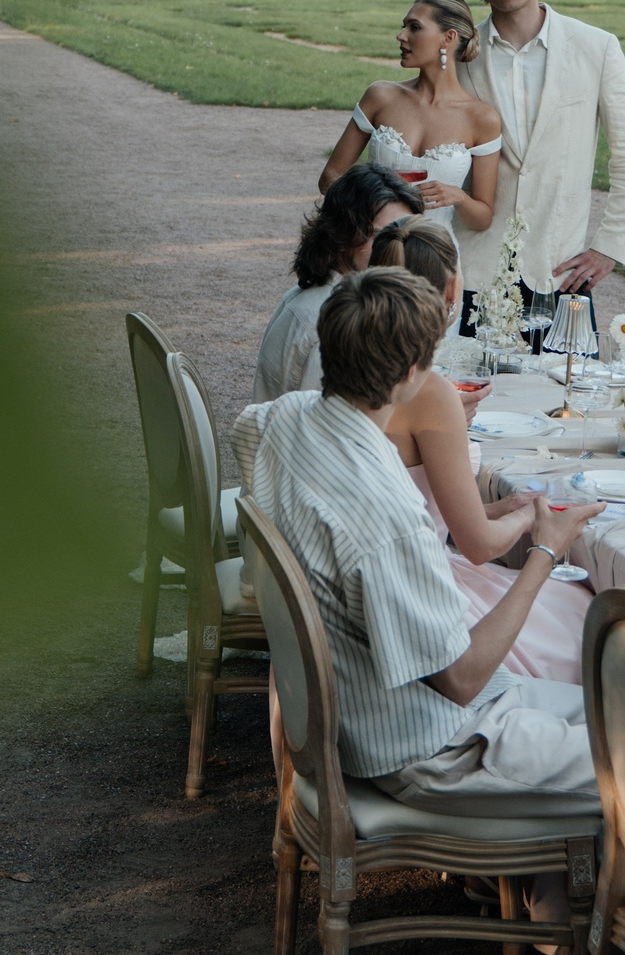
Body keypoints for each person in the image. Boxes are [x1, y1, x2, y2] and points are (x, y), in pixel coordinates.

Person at [240, 265, 603, 919]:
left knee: (621, 707)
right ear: (413, 374)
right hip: (425, 751)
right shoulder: (387, 517)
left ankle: (554, 910)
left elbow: (251, 430)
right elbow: (461, 679)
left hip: (362, 716)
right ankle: (587, 927)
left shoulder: (283, 420)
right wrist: (544, 553)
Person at [373, 217, 590, 682]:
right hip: (430, 597)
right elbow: (476, 547)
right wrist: (539, 529)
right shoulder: (428, 393)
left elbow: (414, 509)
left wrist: (498, 507)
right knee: (586, 620)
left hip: (404, 571)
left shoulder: (370, 371)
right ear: (453, 292)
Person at [454, 0, 625, 307]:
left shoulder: (597, 47)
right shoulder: (459, 57)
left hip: (559, 270)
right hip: (472, 269)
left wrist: (610, 246)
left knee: (567, 373)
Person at [318, 0, 503, 240]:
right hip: (370, 248)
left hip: (435, 256)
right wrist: (366, 201)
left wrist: (457, 197)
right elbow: (330, 177)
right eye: (404, 26)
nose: (401, 36)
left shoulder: (482, 119)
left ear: (448, 38)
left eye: (414, 27)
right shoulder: (380, 96)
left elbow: (482, 218)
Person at [254, 166, 420, 399]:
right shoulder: (335, 321)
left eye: (406, 235)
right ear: (342, 235)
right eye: (382, 235)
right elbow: (325, 426)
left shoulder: (309, 296)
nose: (398, 247)